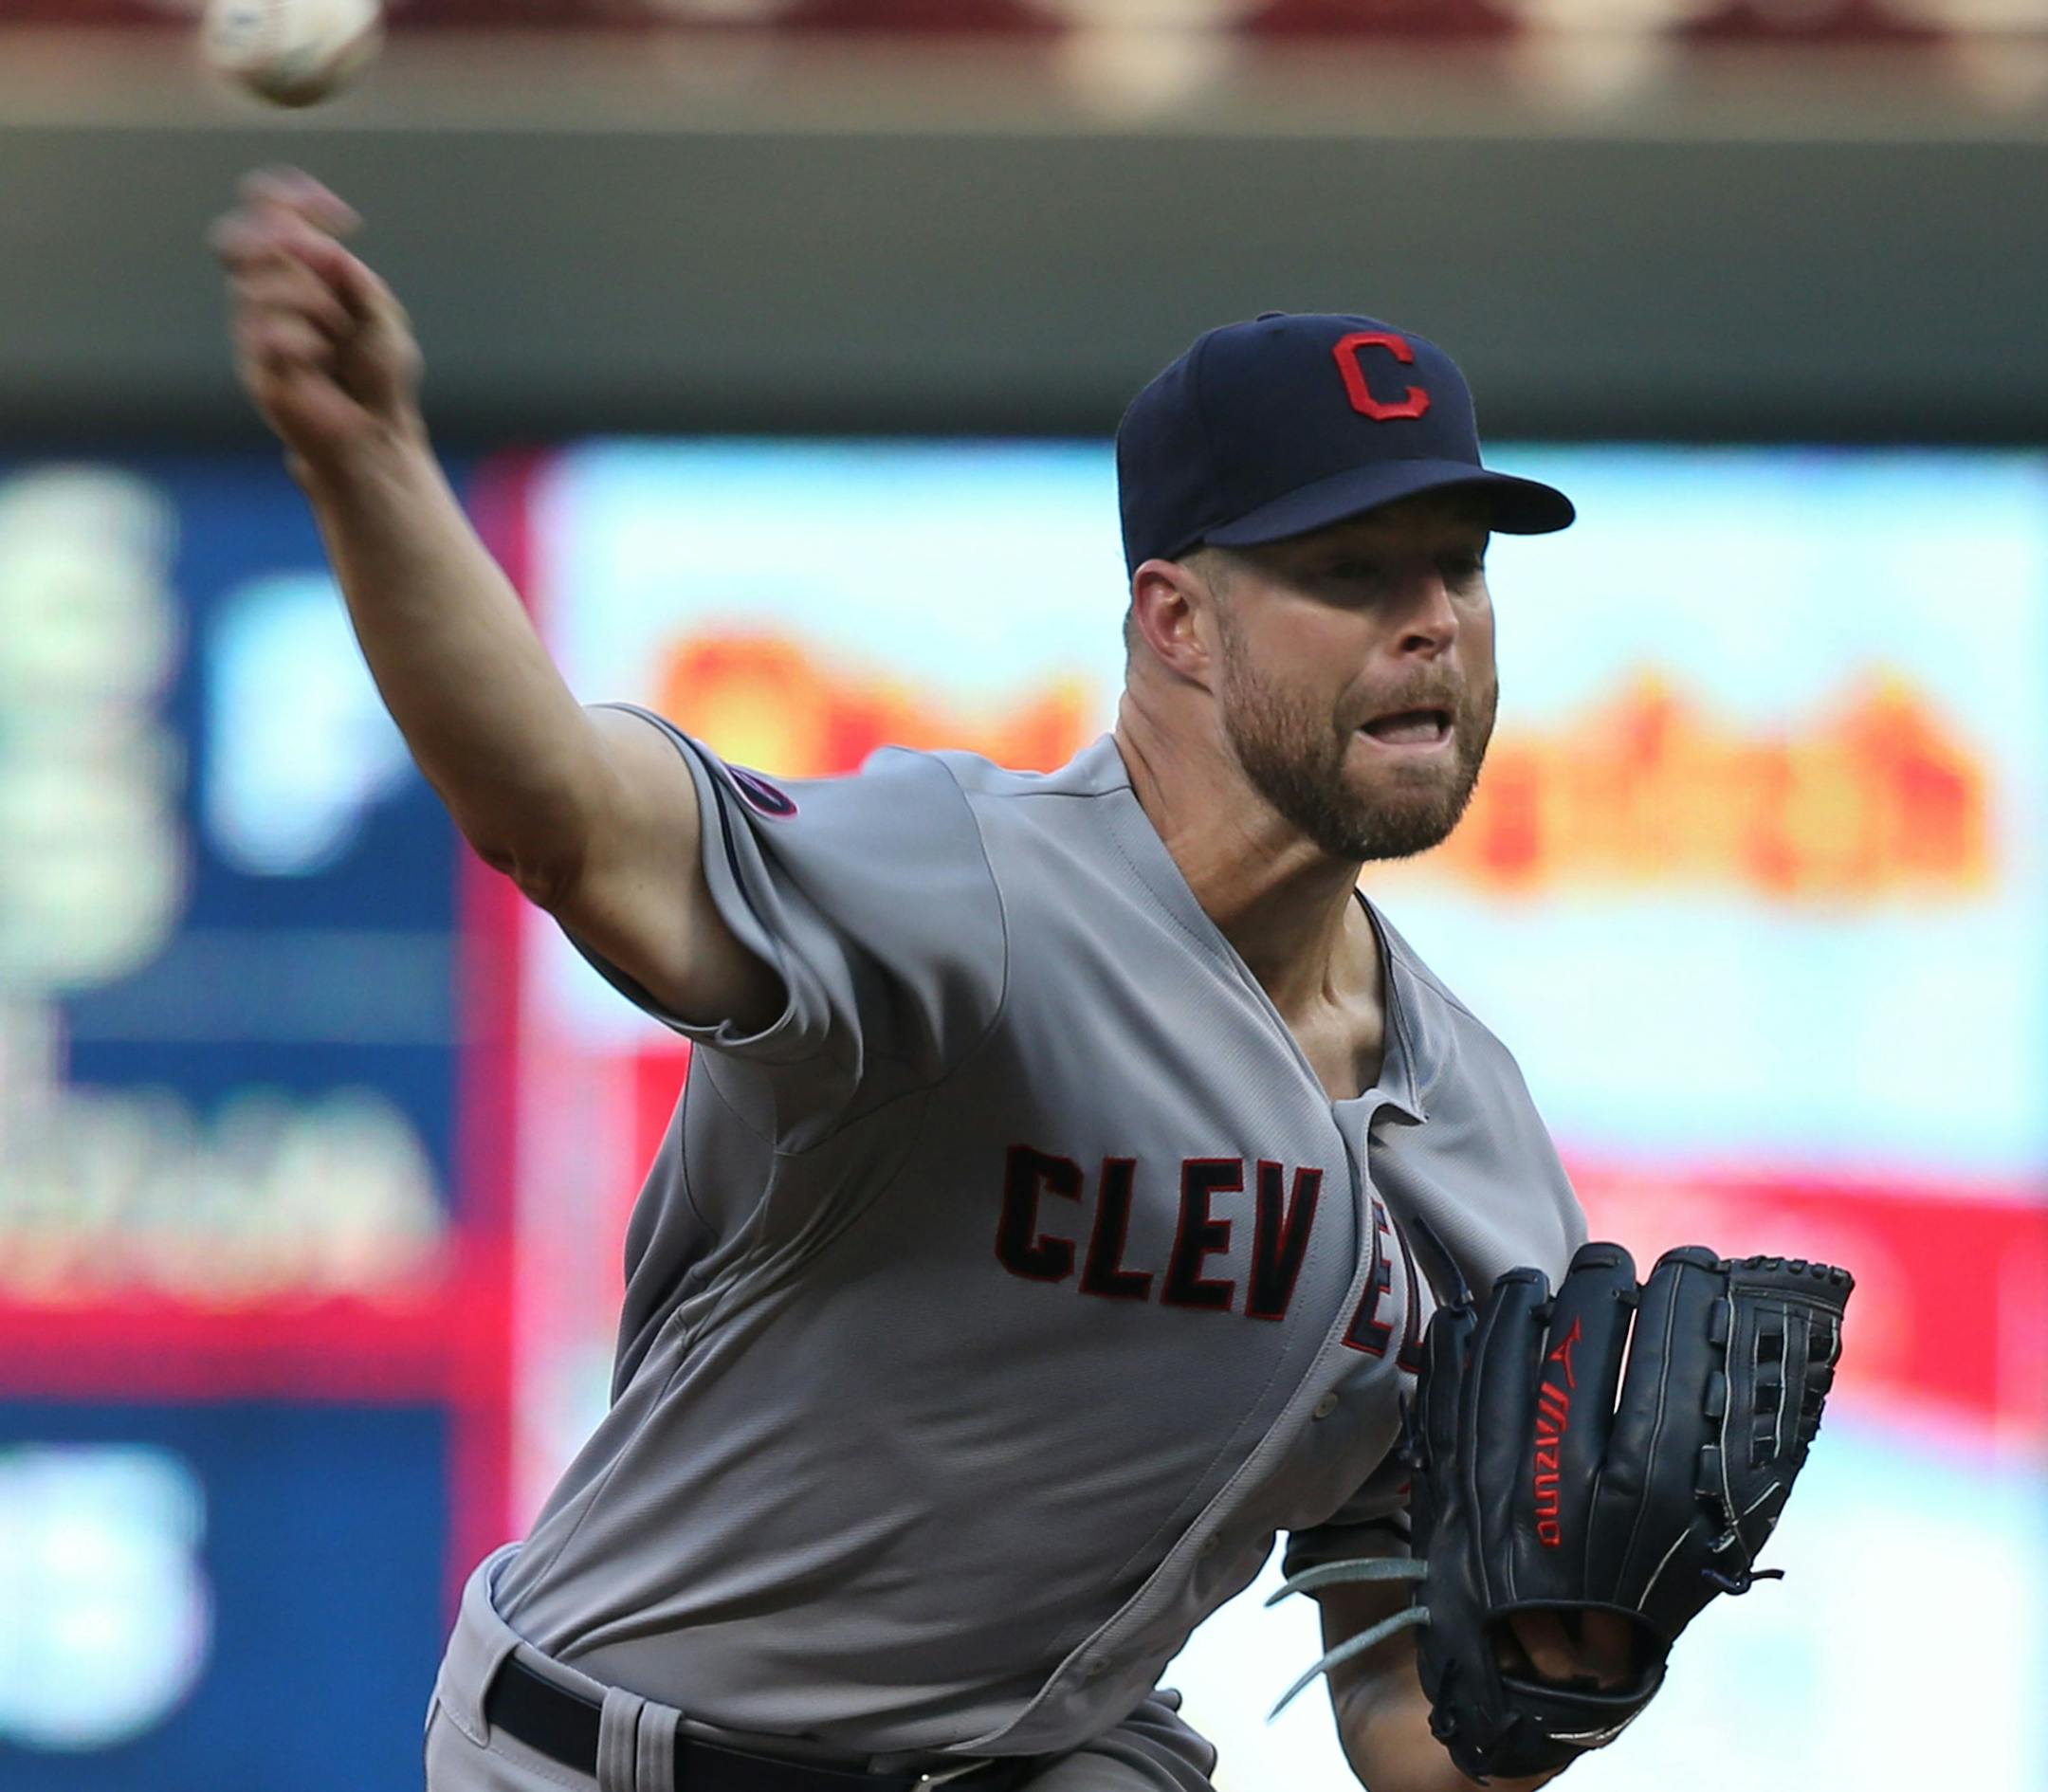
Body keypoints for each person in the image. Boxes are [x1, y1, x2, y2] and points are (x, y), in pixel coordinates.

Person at [213, 168, 1634, 1792]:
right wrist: (370, 459)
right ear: (1175, 618)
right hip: (615, 1754)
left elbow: (1409, 1728)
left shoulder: (1483, 1145)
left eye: (1459, 566)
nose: (1432, 623)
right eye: (1349, 573)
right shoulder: (979, 893)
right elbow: (563, 816)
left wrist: (1561, 1683)